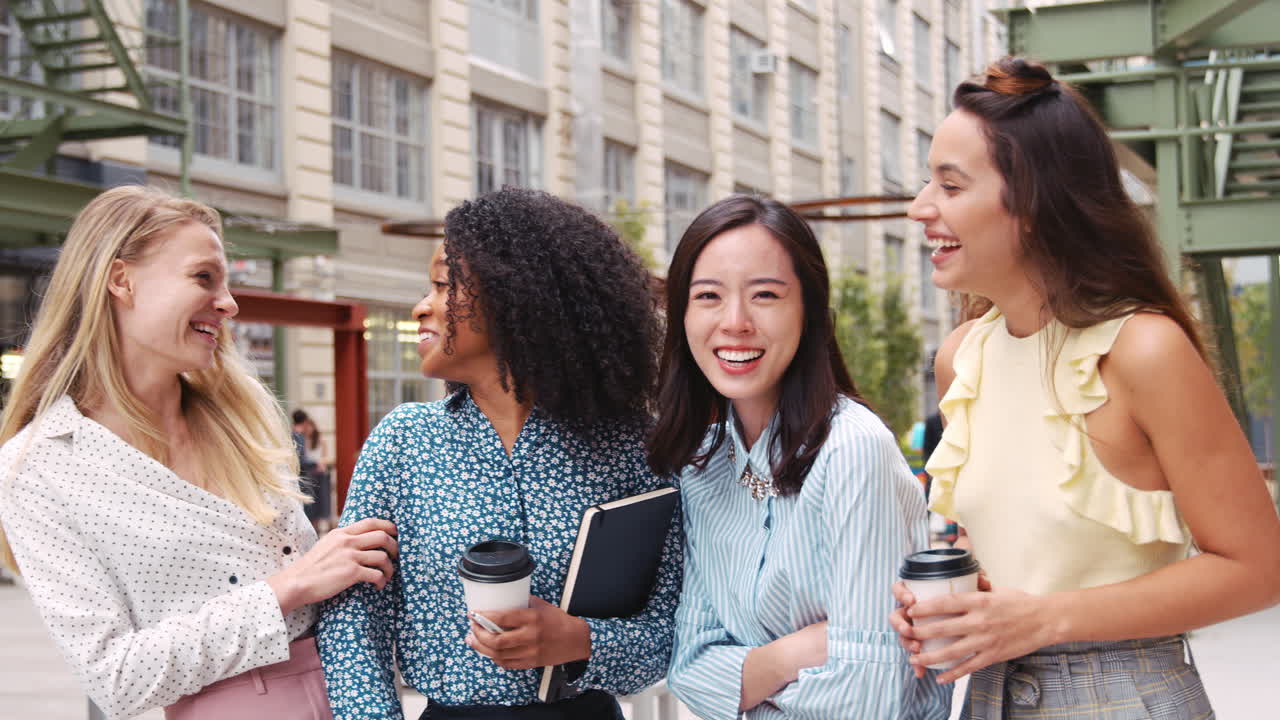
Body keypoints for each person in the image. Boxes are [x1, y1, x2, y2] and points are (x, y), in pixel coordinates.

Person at [892, 56, 1280, 717]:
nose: (918, 207)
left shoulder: (1143, 350)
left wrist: (1042, 620)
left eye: (951, 187)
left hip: (1127, 697)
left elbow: (1259, 568)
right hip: (990, 696)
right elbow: (1031, 564)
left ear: (1035, 203)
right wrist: (962, 603)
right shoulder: (961, 360)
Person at [0, 185, 399, 720]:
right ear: (121, 279)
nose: (229, 303)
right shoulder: (42, 466)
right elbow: (115, 679)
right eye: (204, 277)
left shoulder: (240, 414)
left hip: (354, 690)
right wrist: (288, 589)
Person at [317, 187, 681, 720]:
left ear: (518, 299)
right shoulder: (404, 441)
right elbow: (354, 624)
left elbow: (669, 628)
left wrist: (580, 641)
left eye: (443, 285)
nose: (423, 306)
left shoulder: (633, 448)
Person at [648, 195, 951, 719]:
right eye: (708, 296)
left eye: (765, 295)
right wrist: (800, 651)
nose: (735, 321)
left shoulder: (853, 451)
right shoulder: (702, 464)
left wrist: (750, 679)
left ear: (808, 310)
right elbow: (690, 669)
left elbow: (865, 699)